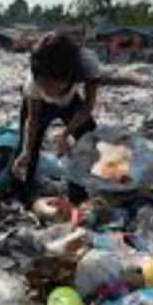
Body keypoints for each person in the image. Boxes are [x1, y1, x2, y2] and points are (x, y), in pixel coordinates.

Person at [12, 33, 101, 200]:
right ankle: (23, 195)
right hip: (39, 106)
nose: (49, 93)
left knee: (87, 139)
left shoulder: (87, 65)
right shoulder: (33, 84)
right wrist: (26, 151)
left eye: (53, 87)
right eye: (44, 86)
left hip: (70, 100)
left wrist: (66, 133)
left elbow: (88, 105)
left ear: (70, 77)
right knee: (27, 149)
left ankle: (78, 195)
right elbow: (33, 118)